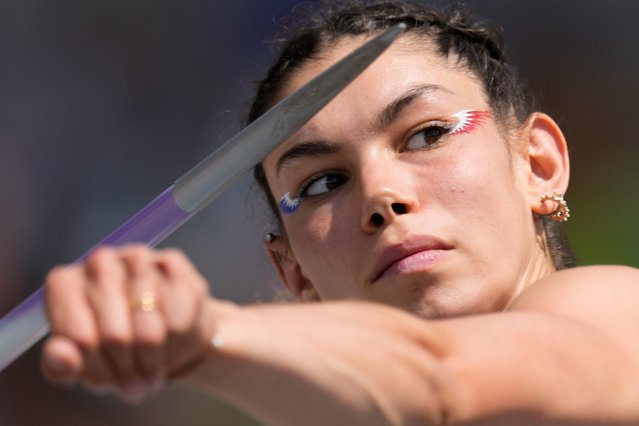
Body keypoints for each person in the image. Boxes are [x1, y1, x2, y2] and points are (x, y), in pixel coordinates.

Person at [40, 1, 639, 425]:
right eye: (325, 182)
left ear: (537, 164)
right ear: (291, 270)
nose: (382, 195)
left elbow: (441, 383)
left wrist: (203, 338)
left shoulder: (619, 313)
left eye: (428, 135)